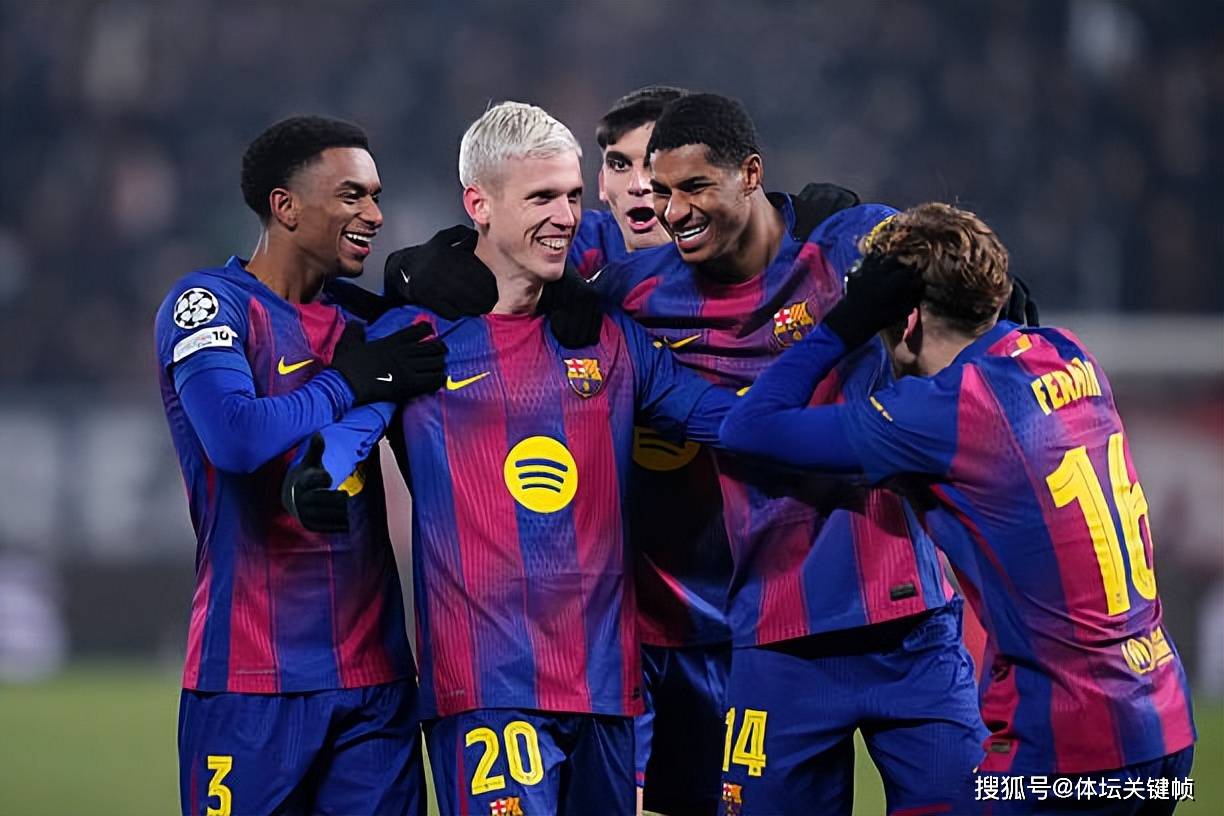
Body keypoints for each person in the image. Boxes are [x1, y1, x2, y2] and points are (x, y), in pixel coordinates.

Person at [282, 101, 738, 816]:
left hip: (606, 689)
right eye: (542, 198)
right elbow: (352, 430)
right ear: (479, 206)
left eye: (573, 196)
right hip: (486, 689)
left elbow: (730, 422)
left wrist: (855, 411)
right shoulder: (418, 334)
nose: (565, 217)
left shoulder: (606, 336)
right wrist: (314, 475)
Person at [721, 202, 1197, 814]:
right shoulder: (1069, 352)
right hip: (1163, 732)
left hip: (1069, 753)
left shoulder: (942, 413)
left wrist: (844, 325)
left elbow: (747, 428)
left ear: (906, 318)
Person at [593, 94, 987, 816]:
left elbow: (965, 275)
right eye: (664, 192)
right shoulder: (639, 295)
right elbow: (538, 279)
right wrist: (434, 267)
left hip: (908, 621)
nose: (675, 211)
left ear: (751, 174)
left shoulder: (851, 245)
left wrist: (1007, 299)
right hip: (773, 638)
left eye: (695, 187)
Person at [154, 116, 445, 816]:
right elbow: (234, 437)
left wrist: (440, 272)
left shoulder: (366, 323)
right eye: (351, 195)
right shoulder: (209, 305)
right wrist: (348, 383)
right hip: (249, 676)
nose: (374, 214)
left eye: (375, 196)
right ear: (285, 206)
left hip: (375, 684)